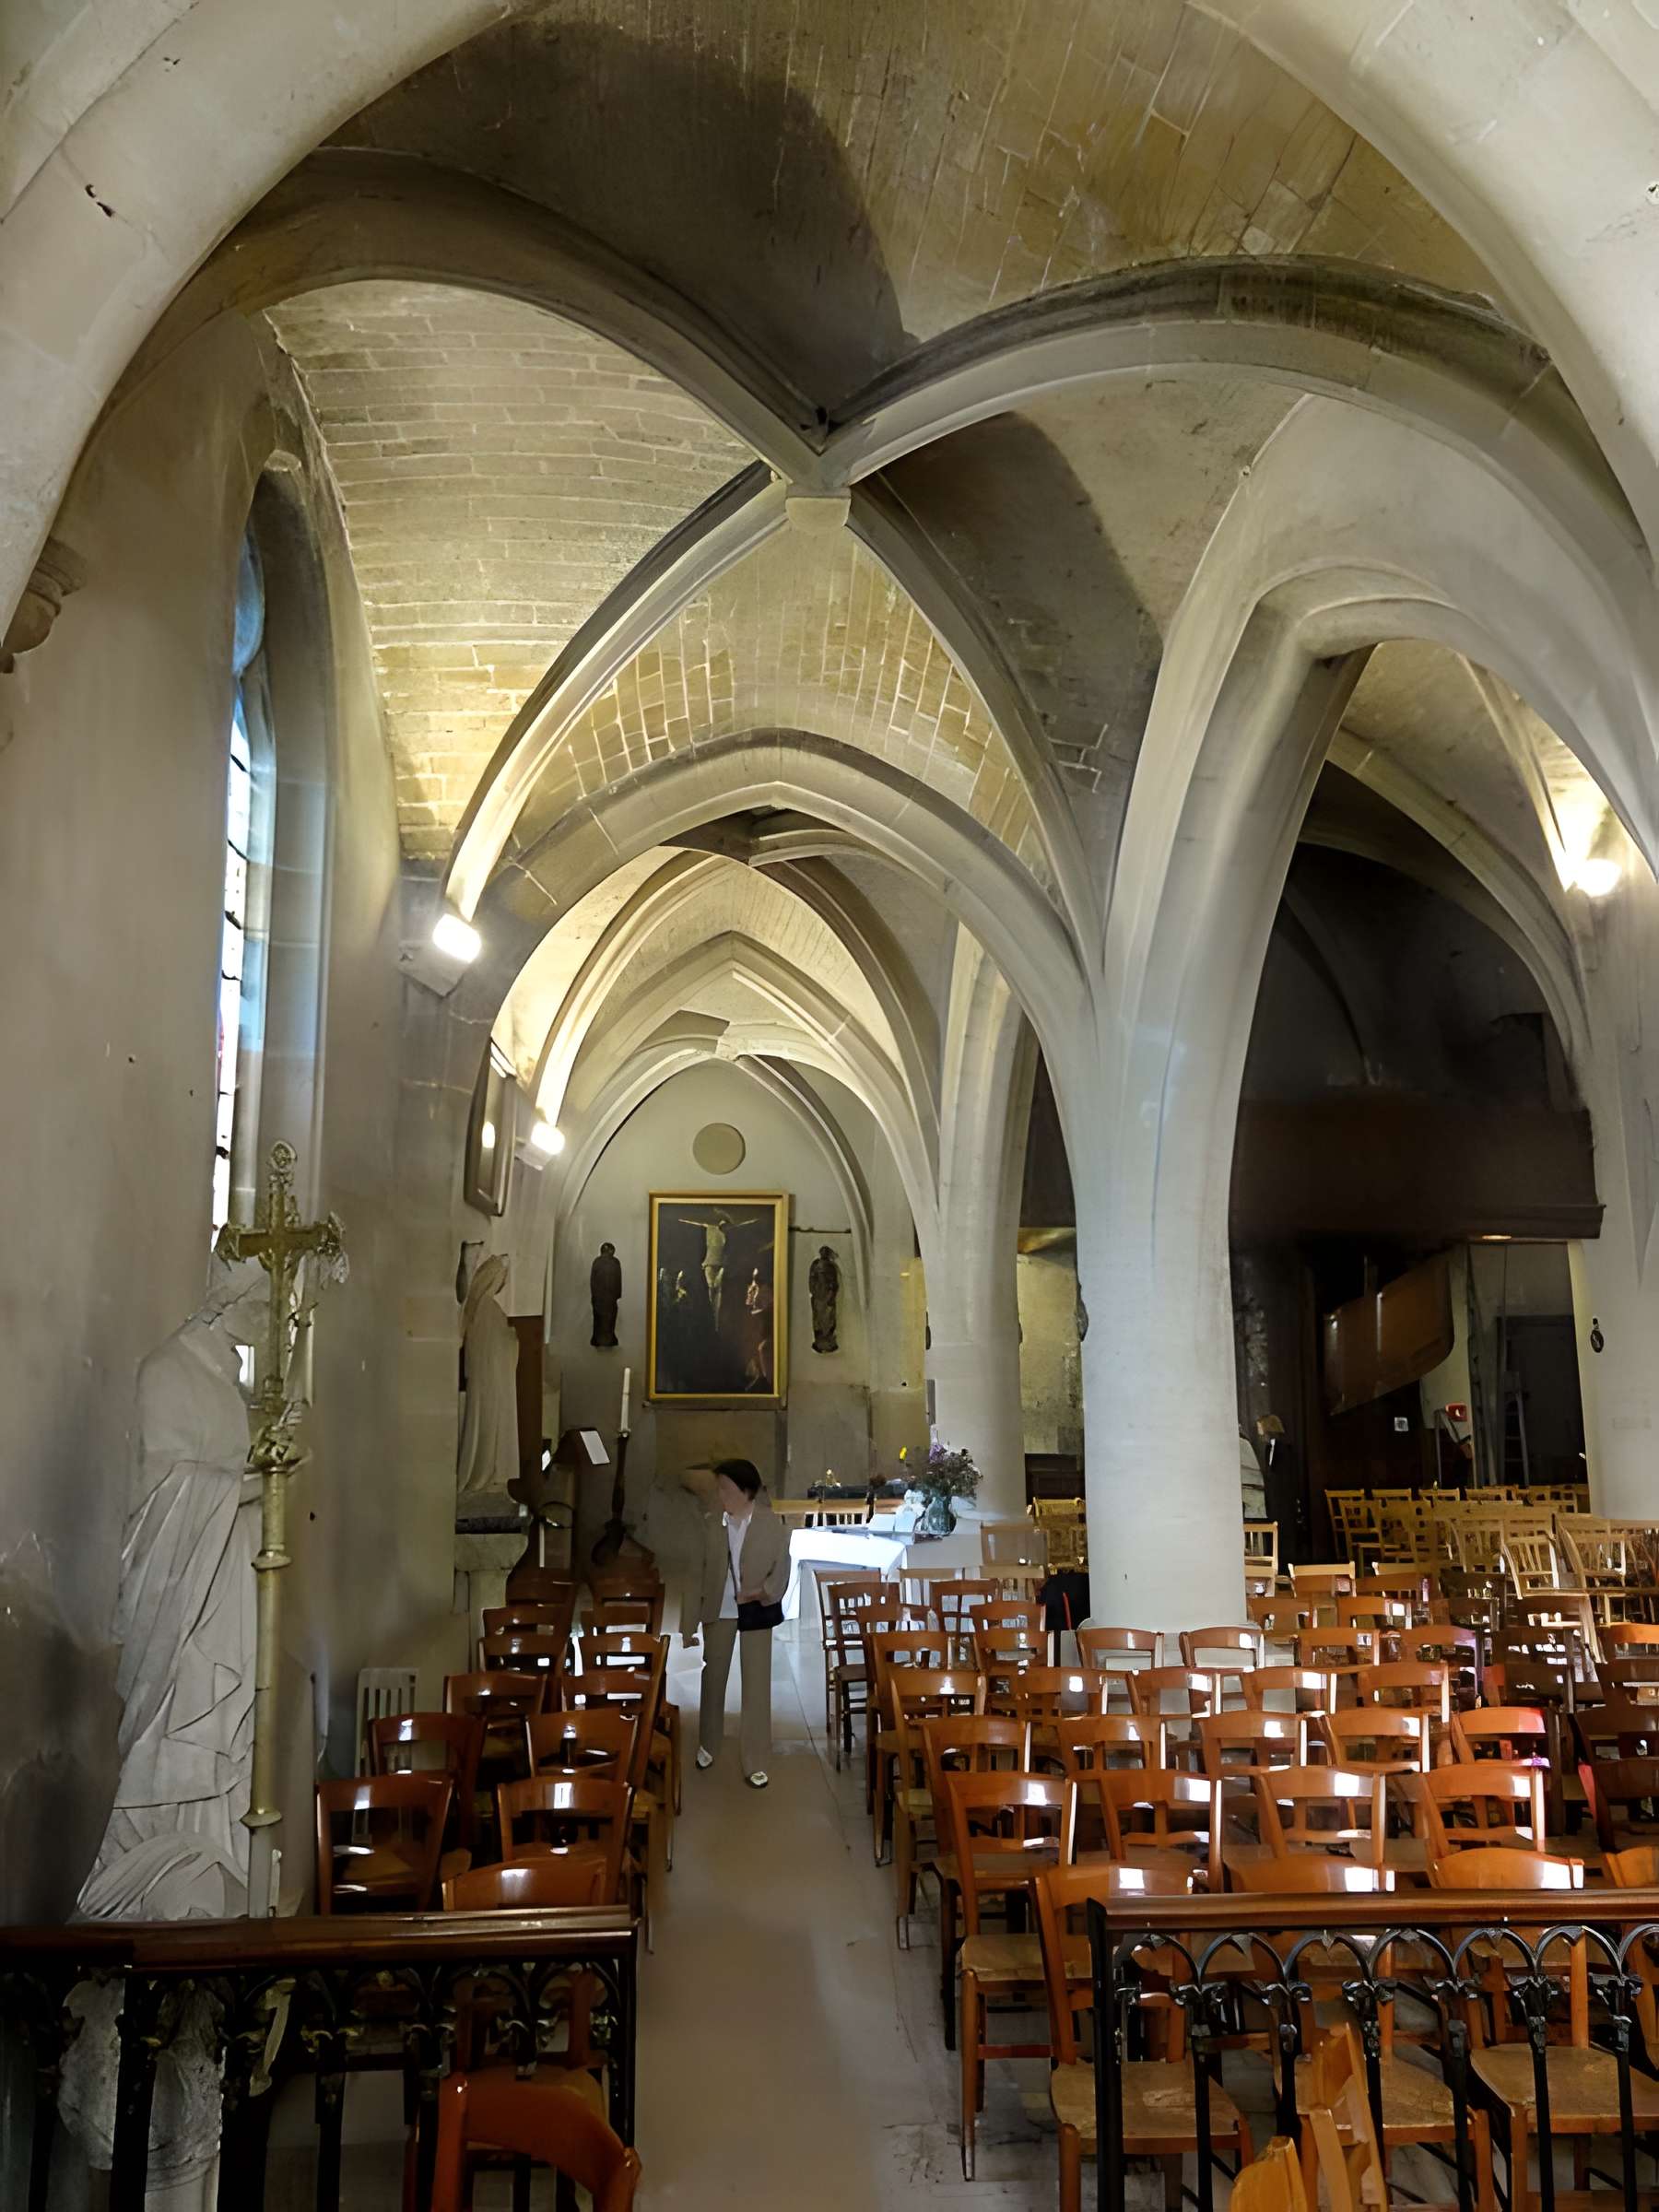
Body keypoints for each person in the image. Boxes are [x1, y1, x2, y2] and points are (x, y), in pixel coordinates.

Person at [686, 1457, 790, 1787]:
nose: (721, 1494)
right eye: (719, 1488)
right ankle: (708, 1744)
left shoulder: (771, 1524)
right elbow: (696, 1575)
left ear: (746, 1490)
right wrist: (688, 1623)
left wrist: (762, 1592)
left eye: (727, 1488)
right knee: (712, 1680)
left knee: (757, 1686)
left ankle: (756, 1759)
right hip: (719, 1610)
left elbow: (782, 1568)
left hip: (756, 1610)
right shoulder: (710, 1523)